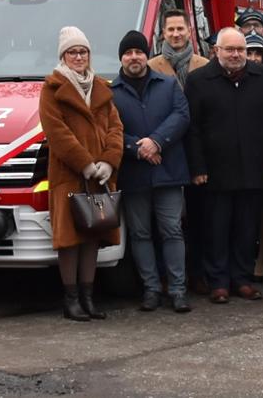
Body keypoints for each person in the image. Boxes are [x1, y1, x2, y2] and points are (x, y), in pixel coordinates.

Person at [186, 28, 263, 304]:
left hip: (254, 168)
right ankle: (218, 282)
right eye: (229, 49)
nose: (236, 55)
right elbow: (192, 129)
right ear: (216, 51)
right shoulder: (198, 81)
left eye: (240, 50)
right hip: (215, 172)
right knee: (216, 228)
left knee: (247, 228)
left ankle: (242, 279)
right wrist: (197, 166)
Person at [43, 27, 126, 322]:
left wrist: (107, 161)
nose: (78, 57)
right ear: (63, 56)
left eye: (83, 52)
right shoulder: (52, 88)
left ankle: (89, 298)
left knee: (92, 236)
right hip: (69, 175)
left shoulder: (101, 87)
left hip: (100, 176)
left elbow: (116, 128)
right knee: (69, 240)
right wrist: (86, 163)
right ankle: (71, 300)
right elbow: (57, 134)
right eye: (72, 52)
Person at [112, 30, 191, 313]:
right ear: (121, 57)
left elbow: (182, 116)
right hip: (134, 174)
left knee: (172, 231)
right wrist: (138, 148)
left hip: (169, 171)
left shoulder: (168, 85)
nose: (134, 57)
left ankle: (178, 290)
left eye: (139, 52)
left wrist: (157, 141)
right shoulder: (111, 92)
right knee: (141, 233)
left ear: (148, 55)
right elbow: (110, 131)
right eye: (128, 53)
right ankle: (151, 289)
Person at [149, 9, 209, 88]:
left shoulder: (205, 65)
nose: (176, 34)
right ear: (164, 33)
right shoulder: (151, 67)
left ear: (189, 31)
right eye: (171, 29)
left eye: (180, 29)